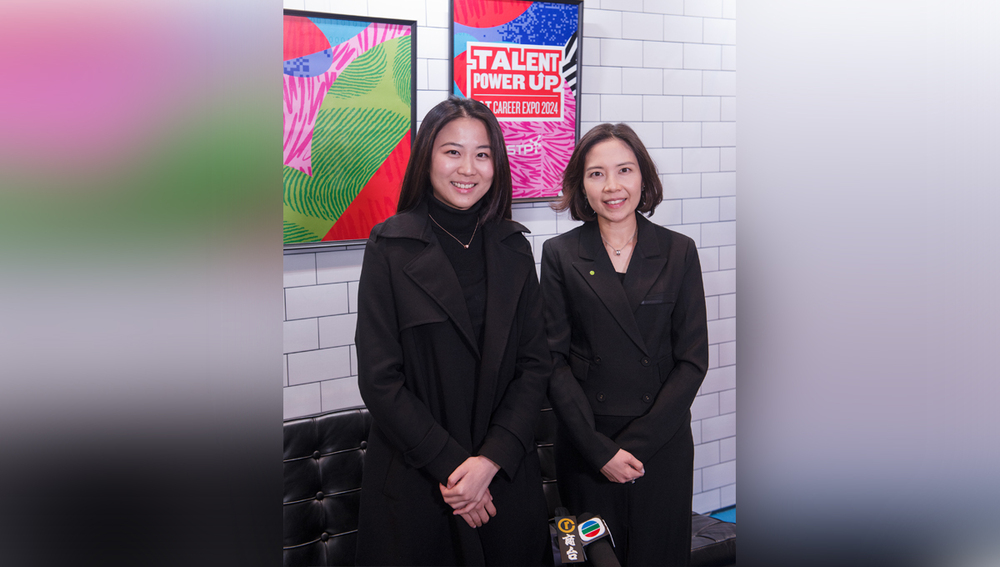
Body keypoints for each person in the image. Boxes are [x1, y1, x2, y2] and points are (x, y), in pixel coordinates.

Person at [354, 97, 552, 566]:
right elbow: (381, 380)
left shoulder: (514, 248)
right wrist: (457, 472)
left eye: (482, 154)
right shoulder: (390, 247)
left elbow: (534, 365)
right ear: (427, 157)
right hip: (420, 477)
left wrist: (489, 462)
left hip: (503, 477)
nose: (469, 168)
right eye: (452, 151)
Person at [541, 123, 709, 565]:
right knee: (582, 558)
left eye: (624, 170)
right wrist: (601, 451)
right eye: (596, 174)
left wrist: (635, 446)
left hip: (661, 444)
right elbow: (551, 361)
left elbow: (692, 361)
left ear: (643, 177)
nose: (612, 186)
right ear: (581, 186)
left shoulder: (678, 251)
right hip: (586, 445)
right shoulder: (559, 254)